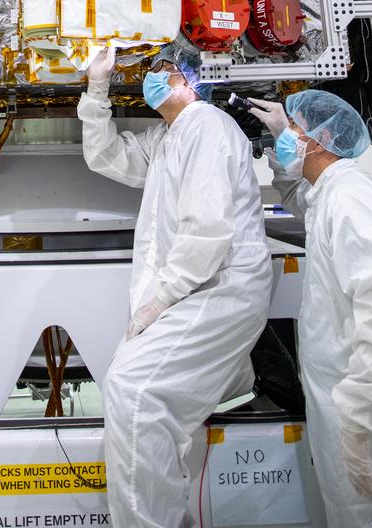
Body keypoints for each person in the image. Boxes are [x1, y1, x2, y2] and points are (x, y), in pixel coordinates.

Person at [78, 47, 272, 528]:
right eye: (150, 72)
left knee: (134, 391)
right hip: (191, 287)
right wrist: (97, 88)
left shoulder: (205, 125)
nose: (152, 78)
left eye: (164, 70)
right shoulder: (168, 136)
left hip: (216, 287)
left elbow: (207, 228)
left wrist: (162, 298)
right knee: (138, 401)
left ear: (192, 80)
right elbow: (106, 155)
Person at [248, 90, 372, 528]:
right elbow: (298, 196)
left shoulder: (350, 197)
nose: (290, 135)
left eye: (297, 129)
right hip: (349, 400)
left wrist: (361, 416)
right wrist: (282, 140)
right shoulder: (329, 192)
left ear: (319, 141)